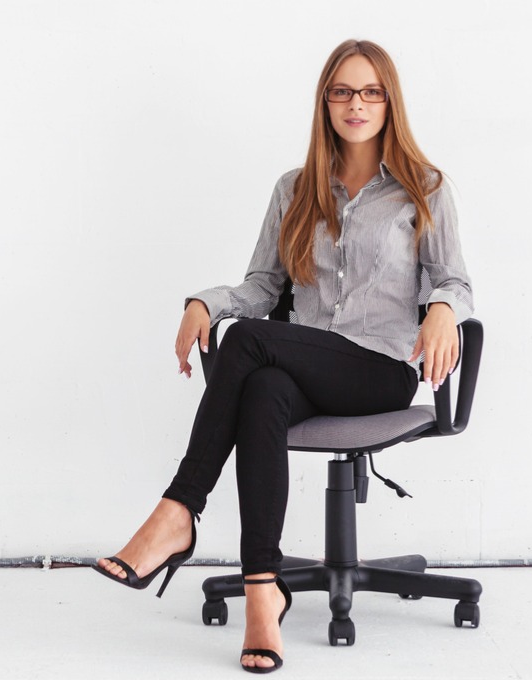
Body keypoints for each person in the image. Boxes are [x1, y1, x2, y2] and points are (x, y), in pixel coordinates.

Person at [93, 39, 473, 674]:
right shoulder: (293, 189)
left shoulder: (424, 188)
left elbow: (455, 282)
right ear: (325, 102)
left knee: (249, 341)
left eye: (371, 91)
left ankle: (178, 510)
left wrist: (440, 310)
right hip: (302, 365)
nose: (357, 103)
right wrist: (206, 303)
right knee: (263, 385)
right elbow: (263, 287)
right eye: (343, 91)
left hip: (376, 369)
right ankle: (262, 591)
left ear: (390, 102)